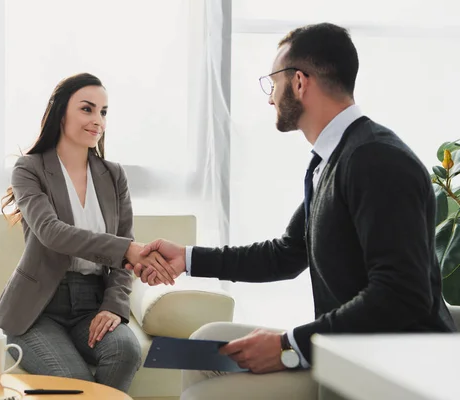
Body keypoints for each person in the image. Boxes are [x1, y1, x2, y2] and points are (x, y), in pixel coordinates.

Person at [127, 23, 458, 399]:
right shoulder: (332, 159)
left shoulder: (376, 160)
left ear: (300, 82)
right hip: (347, 348)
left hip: (394, 366)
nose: (270, 98)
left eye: (273, 82)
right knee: (209, 340)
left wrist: (289, 344)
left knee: (207, 394)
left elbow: (403, 294)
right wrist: (186, 258)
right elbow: (285, 254)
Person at [0, 73, 175, 393]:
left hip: (92, 303)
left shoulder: (113, 175)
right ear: (61, 112)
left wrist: (113, 305)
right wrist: (126, 249)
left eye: (104, 112)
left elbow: (123, 256)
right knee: (75, 384)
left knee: (125, 352)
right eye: (87, 109)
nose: (98, 120)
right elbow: (51, 232)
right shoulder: (29, 169)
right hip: (38, 310)